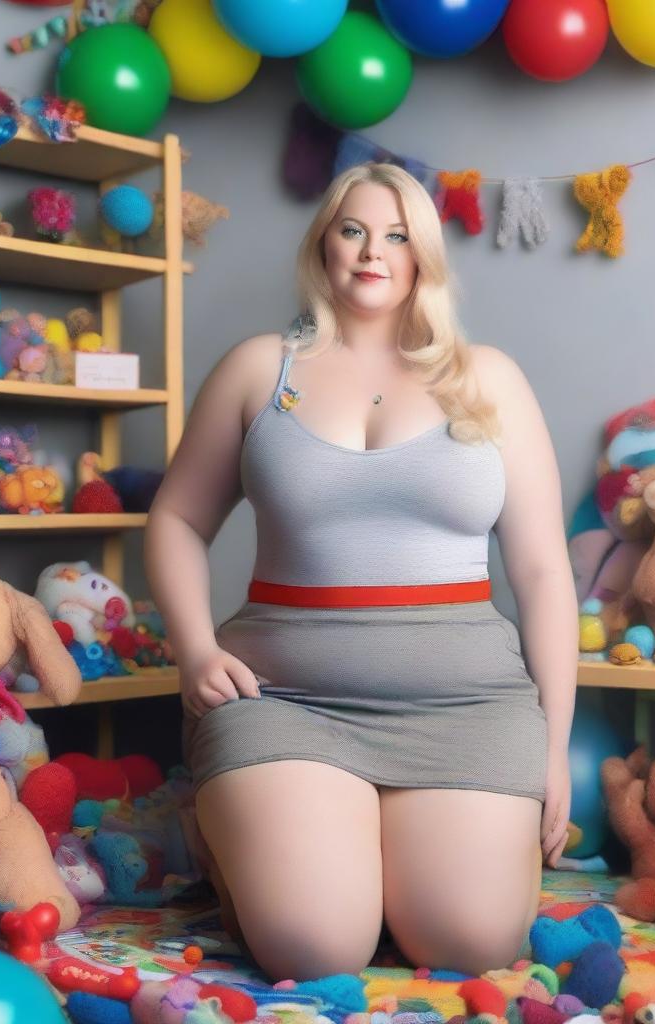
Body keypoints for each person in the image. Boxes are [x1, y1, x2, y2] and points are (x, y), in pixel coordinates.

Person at [144, 162, 578, 983]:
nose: (372, 252)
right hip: (284, 703)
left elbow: (543, 572)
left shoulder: (488, 379)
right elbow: (174, 518)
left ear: (423, 257)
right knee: (316, 948)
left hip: (468, 706)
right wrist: (195, 650)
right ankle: (238, 828)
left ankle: (393, 852)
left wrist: (554, 746)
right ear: (323, 246)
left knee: (471, 944)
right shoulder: (258, 368)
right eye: (352, 230)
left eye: (396, 235)